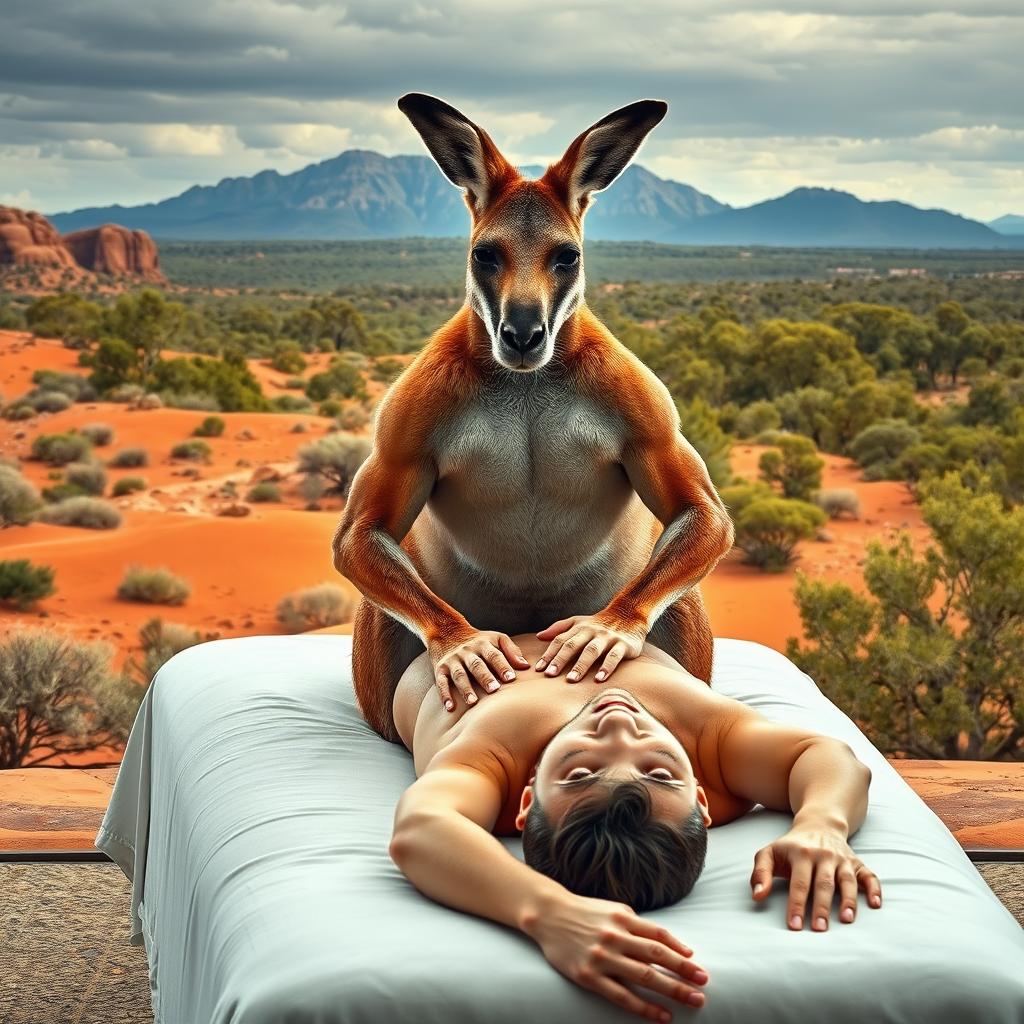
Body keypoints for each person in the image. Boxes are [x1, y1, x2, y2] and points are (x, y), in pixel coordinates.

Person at [382, 628, 882, 1022]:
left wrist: (545, 911)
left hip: (446, 624)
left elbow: (422, 826)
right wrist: (821, 823)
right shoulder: (708, 745)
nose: (620, 727)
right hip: (610, 608)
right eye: (660, 772)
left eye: (579, 771)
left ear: (529, 794)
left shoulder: (495, 755)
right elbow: (826, 757)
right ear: (703, 798)